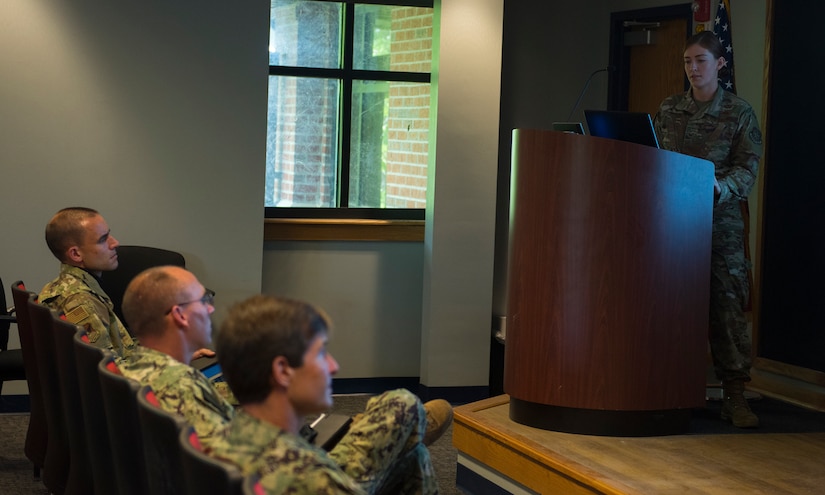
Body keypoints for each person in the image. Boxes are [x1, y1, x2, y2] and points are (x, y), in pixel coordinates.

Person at [208, 294, 453, 494]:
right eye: (321, 353)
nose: (334, 366)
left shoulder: (218, 442)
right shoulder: (316, 481)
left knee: (411, 454)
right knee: (411, 445)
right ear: (283, 371)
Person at [653, 31, 762, 428]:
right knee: (669, 305)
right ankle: (668, 390)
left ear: (719, 64)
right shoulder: (669, 108)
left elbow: (748, 168)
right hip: (672, 223)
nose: (693, 69)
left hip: (720, 223)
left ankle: (735, 396)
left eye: (700, 61)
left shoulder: (738, 112)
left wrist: (722, 186)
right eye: (687, 61)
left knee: (726, 307)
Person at [119, 265, 235, 446]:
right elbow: (239, 466)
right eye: (203, 300)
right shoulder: (182, 388)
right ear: (180, 315)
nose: (210, 309)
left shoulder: (130, 366)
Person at [39, 207, 136, 357]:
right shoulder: (80, 301)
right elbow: (106, 370)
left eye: (109, 234)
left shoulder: (63, 285)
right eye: (103, 239)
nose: (115, 243)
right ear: (76, 254)